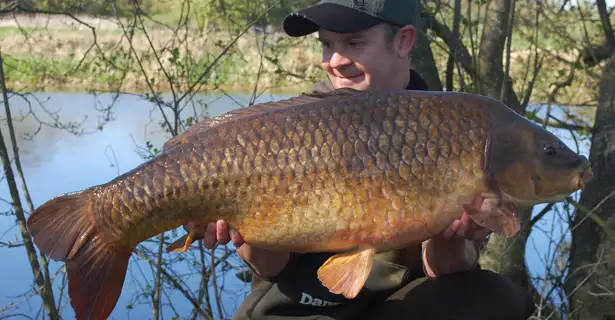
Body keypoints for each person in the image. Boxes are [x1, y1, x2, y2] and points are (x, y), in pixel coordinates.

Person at [200, 0, 536, 319]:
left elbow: (447, 276)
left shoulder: (452, 130)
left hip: (397, 308)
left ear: (403, 41)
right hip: (301, 306)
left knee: (493, 298)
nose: (335, 61)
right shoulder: (292, 130)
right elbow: (270, 269)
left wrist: (452, 233)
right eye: (327, 44)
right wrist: (240, 228)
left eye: (354, 43)